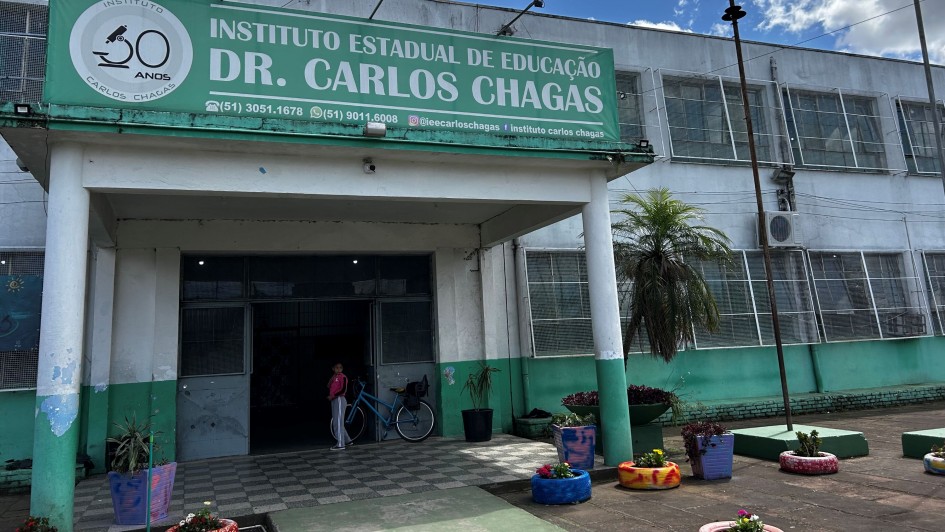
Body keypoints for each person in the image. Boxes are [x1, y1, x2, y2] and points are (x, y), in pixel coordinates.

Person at [327, 362, 353, 450]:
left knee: (338, 423)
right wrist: (333, 378)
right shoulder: (334, 377)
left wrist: (332, 396)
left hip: (339, 399)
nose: (338, 369)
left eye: (340, 368)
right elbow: (328, 386)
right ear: (333, 368)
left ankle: (341, 444)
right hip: (334, 400)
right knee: (337, 421)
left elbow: (343, 390)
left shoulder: (343, 377)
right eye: (336, 368)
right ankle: (347, 440)